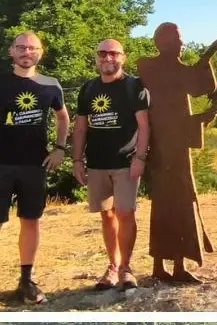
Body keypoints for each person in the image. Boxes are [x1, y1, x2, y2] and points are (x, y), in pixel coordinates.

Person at [0, 30, 70, 311]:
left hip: (34, 166)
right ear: (11, 51)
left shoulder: (51, 85)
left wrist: (60, 149)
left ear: (40, 52)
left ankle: (26, 281)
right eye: (20, 47)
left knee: (31, 221)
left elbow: (63, 117)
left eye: (32, 48)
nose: (26, 52)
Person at [137, 24, 217, 284]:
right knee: (171, 202)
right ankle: (163, 265)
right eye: (178, 41)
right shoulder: (150, 66)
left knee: (179, 202)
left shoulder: (166, 68)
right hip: (163, 146)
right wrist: (204, 59)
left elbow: (202, 86)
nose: (182, 45)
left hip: (174, 145)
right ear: (164, 44)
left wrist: (207, 59)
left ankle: (176, 264)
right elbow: (199, 86)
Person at [73, 38, 151, 291]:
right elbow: (81, 127)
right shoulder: (88, 89)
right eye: (102, 53)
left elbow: (144, 125)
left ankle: (127, 268)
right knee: (107, 215)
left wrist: (140, 157)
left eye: (113, 53)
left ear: (122, 57)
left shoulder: (134, 86)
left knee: (125, 213)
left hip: (126, 163)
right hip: (96, 164)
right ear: (96, 58)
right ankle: (113, 267)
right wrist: (77, 160)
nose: (108, 58)